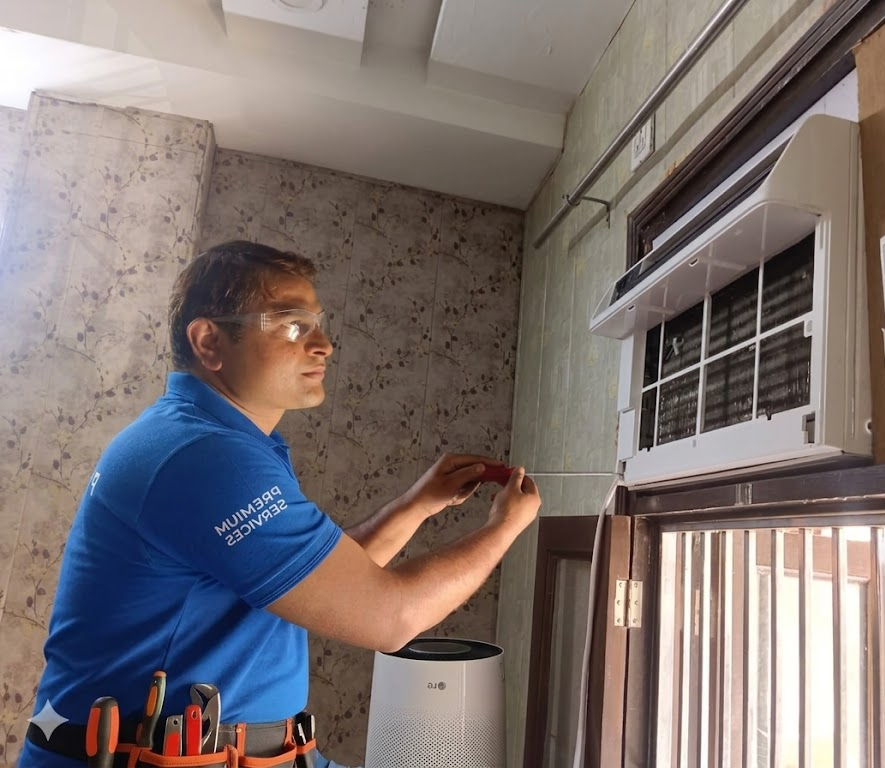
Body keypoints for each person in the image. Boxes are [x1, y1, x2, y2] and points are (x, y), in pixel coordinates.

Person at [20, 240, 541, 768]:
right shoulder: (205, 457)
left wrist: (417, 505)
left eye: (318, 323)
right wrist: (503, 529)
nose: (324, 345)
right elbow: (392, 617)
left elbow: (328, 582)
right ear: (209, 341)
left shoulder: (216, 441)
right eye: (293, 326)